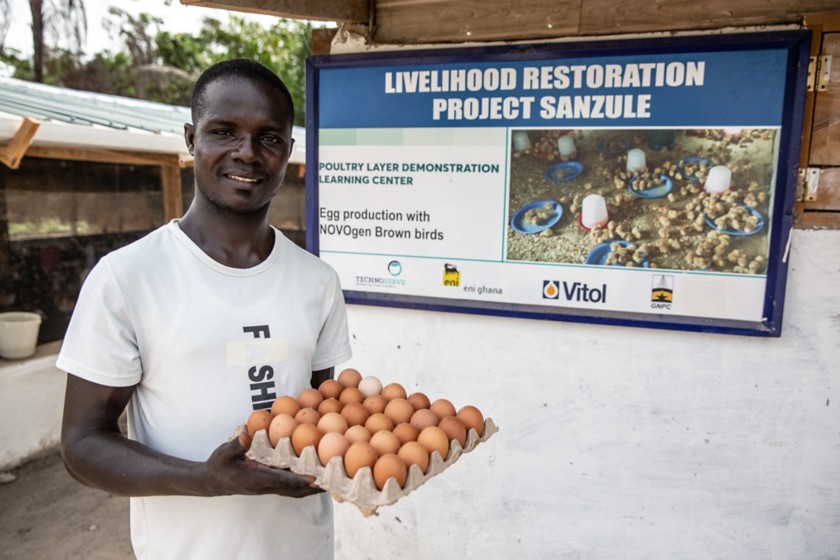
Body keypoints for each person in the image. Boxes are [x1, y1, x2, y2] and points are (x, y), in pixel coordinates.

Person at [58, 59, 351, 559]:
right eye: (224, 131)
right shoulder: (128, 277)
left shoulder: (316, 281)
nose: (248, 153)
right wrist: (206, 480)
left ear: (288, 152)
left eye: (270, 138)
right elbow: (82, 445)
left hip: (303, 546)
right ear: (191, 139)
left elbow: (322, 415)